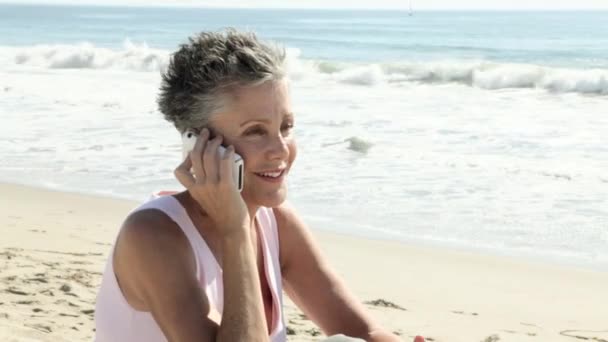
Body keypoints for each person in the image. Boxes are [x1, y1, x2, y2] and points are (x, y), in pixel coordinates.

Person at [95, 28, 421, 342]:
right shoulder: (152, 236)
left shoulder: (277, 221)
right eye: (255, 131)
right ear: (196, 144)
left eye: (286, 127)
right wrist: (234, 230)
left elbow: (362, 333)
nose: (280, 149)